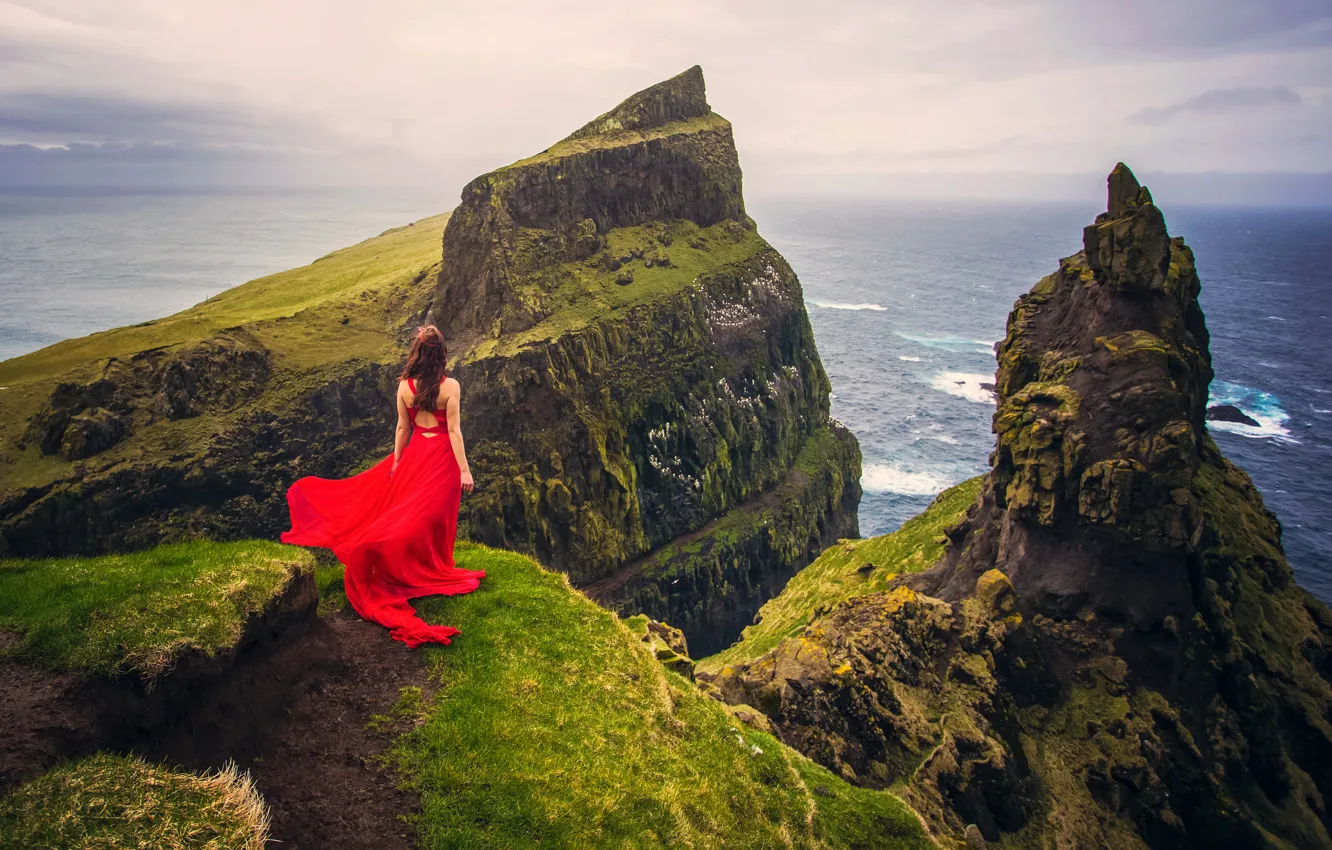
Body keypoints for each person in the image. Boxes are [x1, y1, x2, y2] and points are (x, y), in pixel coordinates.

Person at [281, 324, 484, 646]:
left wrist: (398, 461)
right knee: (434, 514)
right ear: (442, 354)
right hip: (442, 455)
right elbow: (455, 431)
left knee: (416, 511)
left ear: (416, 353)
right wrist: (465, 470)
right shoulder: (452, 387)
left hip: (416, 453)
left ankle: (421, 562)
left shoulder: (404, 386)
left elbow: (403, 428)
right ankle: (429, 564)